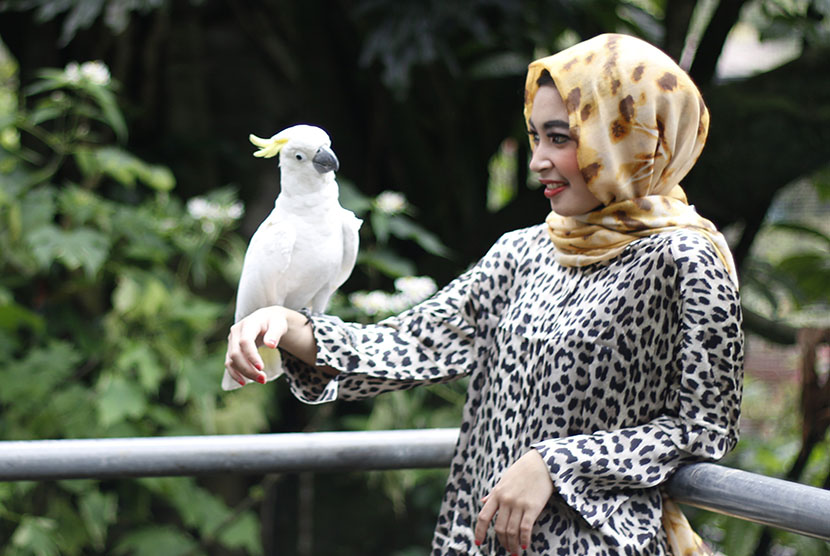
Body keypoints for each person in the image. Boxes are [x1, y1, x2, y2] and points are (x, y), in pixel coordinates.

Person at [225, 33, 744, 555]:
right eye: (534, 137)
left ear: (626, 136)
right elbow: (410, 345)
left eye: (560, 138)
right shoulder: (524, 252)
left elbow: (704, 431)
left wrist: (556, 462)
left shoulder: (685, 260)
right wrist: (282, 323)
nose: (538, 159)